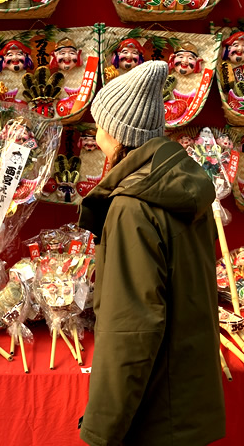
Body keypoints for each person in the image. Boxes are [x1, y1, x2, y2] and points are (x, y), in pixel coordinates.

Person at [77, 60, 225, 446]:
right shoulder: (181, 188)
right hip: (185, 401)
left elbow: (131, 331)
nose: (95, 133)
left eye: (100, 124)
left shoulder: (132, 207)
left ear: (118, 133)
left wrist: (100, 432)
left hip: (155, 415)